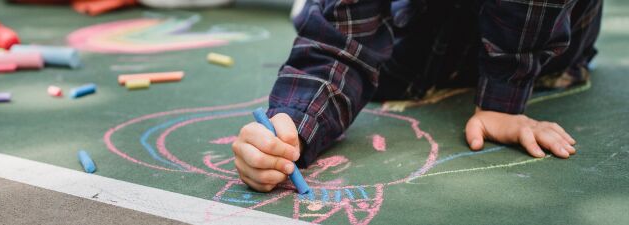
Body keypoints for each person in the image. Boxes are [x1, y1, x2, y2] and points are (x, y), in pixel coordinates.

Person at [231, 0, 603, 192]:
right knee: (387, 68)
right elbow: (342, 45)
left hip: (547, 44)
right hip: (427, 39)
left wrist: (503, 99)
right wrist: (292, 124)